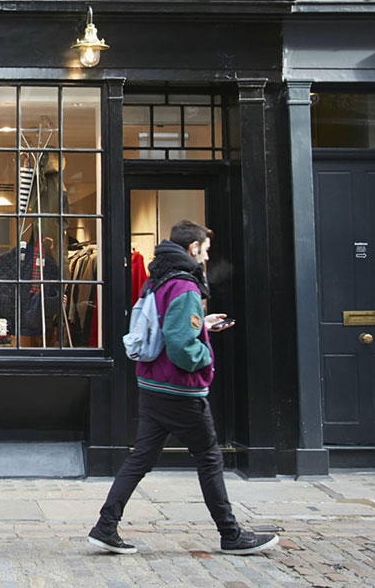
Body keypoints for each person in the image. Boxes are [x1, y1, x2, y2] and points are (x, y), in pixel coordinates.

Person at [88, 220, 279, 556]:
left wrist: (201, 325)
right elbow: (180, 346)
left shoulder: (158, 279)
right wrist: (206, 355)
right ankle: (231, 535)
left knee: (141, 458)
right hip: (179, 390)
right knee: (209, 458)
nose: (207, 257)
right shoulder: (185, 285)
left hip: (152, 384)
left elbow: (166, 327)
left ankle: (105, 526)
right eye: (205, 250)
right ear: (193, 248)